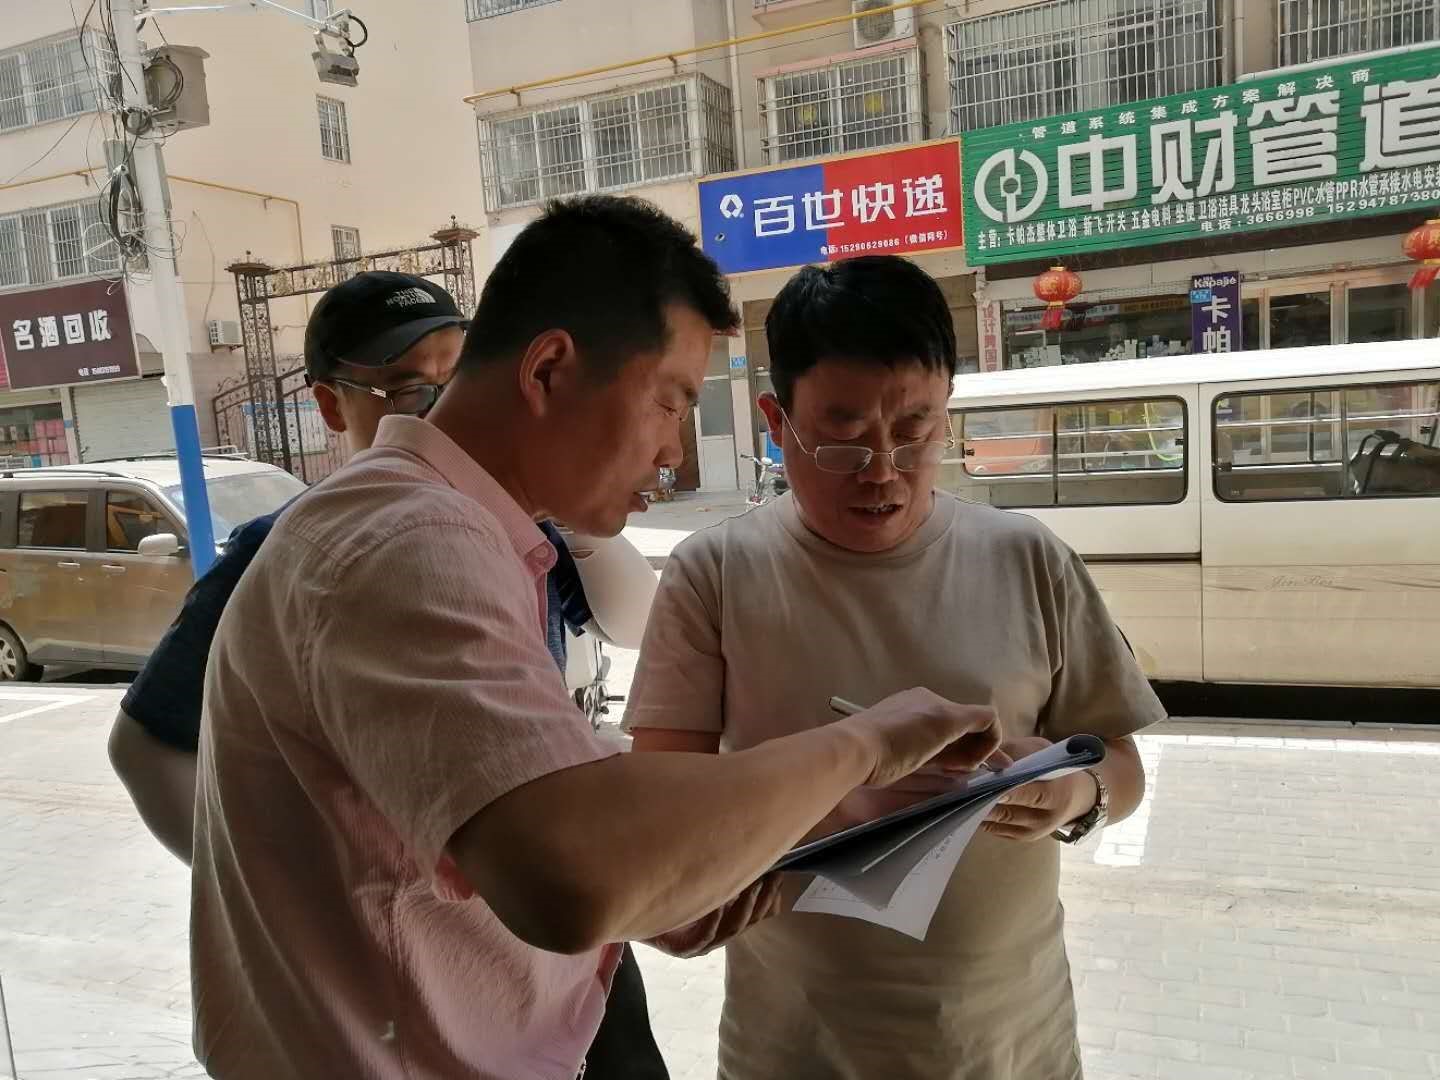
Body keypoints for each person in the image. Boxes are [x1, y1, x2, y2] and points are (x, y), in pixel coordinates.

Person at [187, 197, 1002, 1078]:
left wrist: (701, 867)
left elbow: (556, 813)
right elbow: (571, 880)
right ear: (549, 370)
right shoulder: (409, 539)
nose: (674, 453)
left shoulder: (458, 533)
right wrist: (864, 746)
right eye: (669, 403)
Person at [106, 270, 667, 1079]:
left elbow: (636, 621)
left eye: (459, 379)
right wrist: (298, 894)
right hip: (419, 981)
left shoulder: (508, 521)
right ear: (331, 405)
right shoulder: (303, 546)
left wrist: (573, 504)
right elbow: (145, 745)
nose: (442, 410)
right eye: (408, 390)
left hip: (547, 931)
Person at [625, 255, 1166, 1080]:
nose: (883, 469)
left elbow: (1120, 768)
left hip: (1010, 1044)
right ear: (776, 420)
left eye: (915, 430)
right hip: (795, 1048)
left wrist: (1073, 794)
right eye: (842, 437)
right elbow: (664, 808)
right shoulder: (716, 574)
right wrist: (830, 792)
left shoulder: (1028, 558)